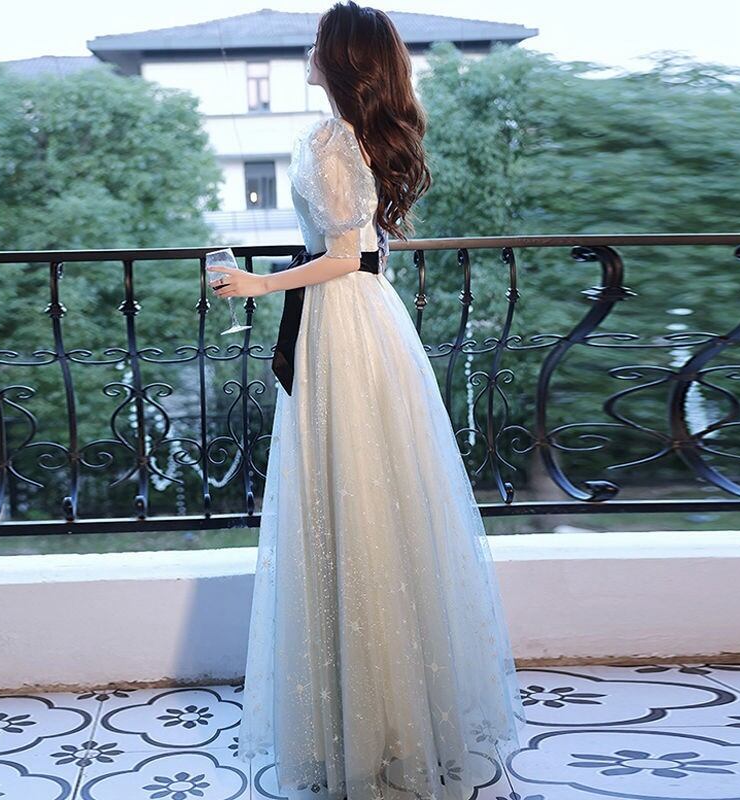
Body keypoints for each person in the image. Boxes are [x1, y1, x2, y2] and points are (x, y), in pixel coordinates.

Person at [208, 3, 527, 799]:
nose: (308, 52)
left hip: (342, 324)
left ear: (341, 59)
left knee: (352, 498)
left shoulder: (330, 140)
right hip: (364, 322)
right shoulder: (355, 137)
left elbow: (345, 255)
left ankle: (367, 726)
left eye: (319, 42)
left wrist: (256, 284)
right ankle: (388, 718)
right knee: (378, 503)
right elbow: (359, 251)